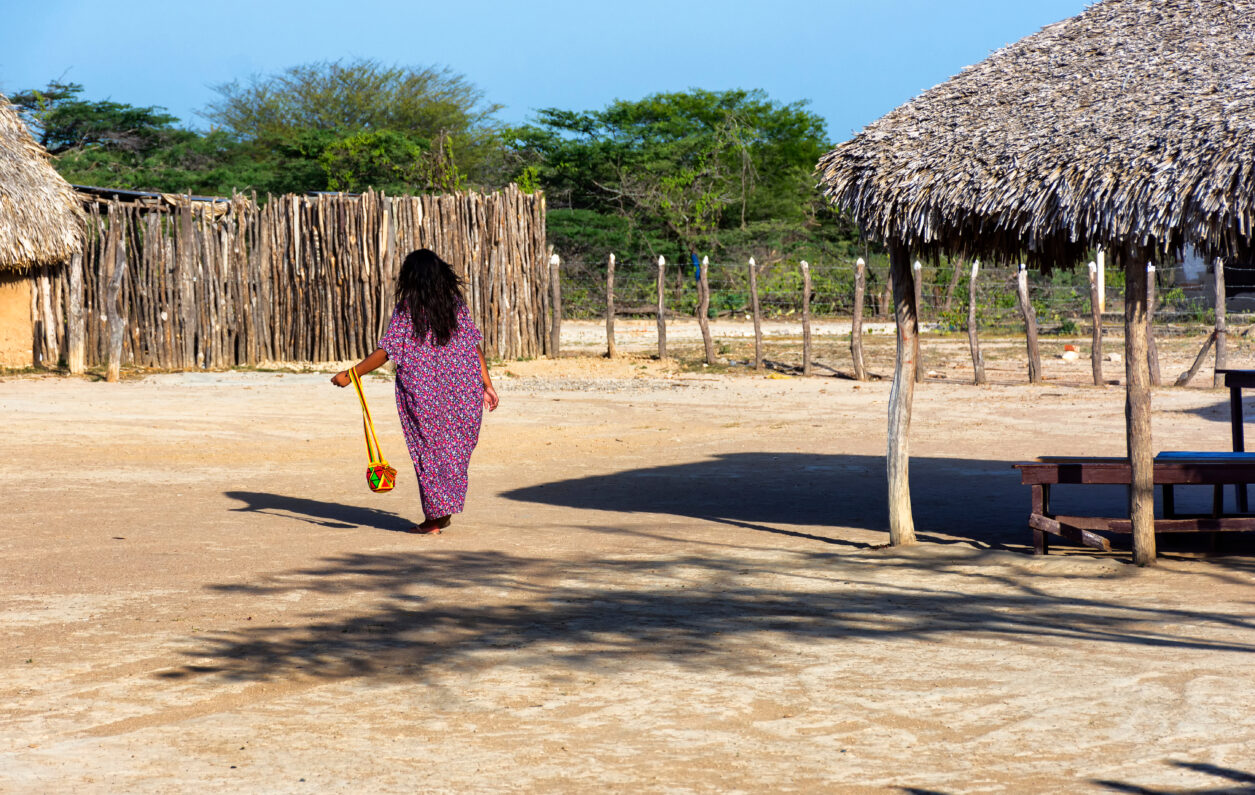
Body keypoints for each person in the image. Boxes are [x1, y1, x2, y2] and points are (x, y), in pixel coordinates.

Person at [331, 248, 499, 534]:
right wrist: (486, 383)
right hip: (464, 388)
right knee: (455, 450)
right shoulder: (455, 305)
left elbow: (387, 351)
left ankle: (435, 518)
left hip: (424, 393)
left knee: (429, 451)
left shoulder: (408, 308)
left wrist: (351, 374)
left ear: (412, 278)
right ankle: (441, 509)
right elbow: (473, 345)